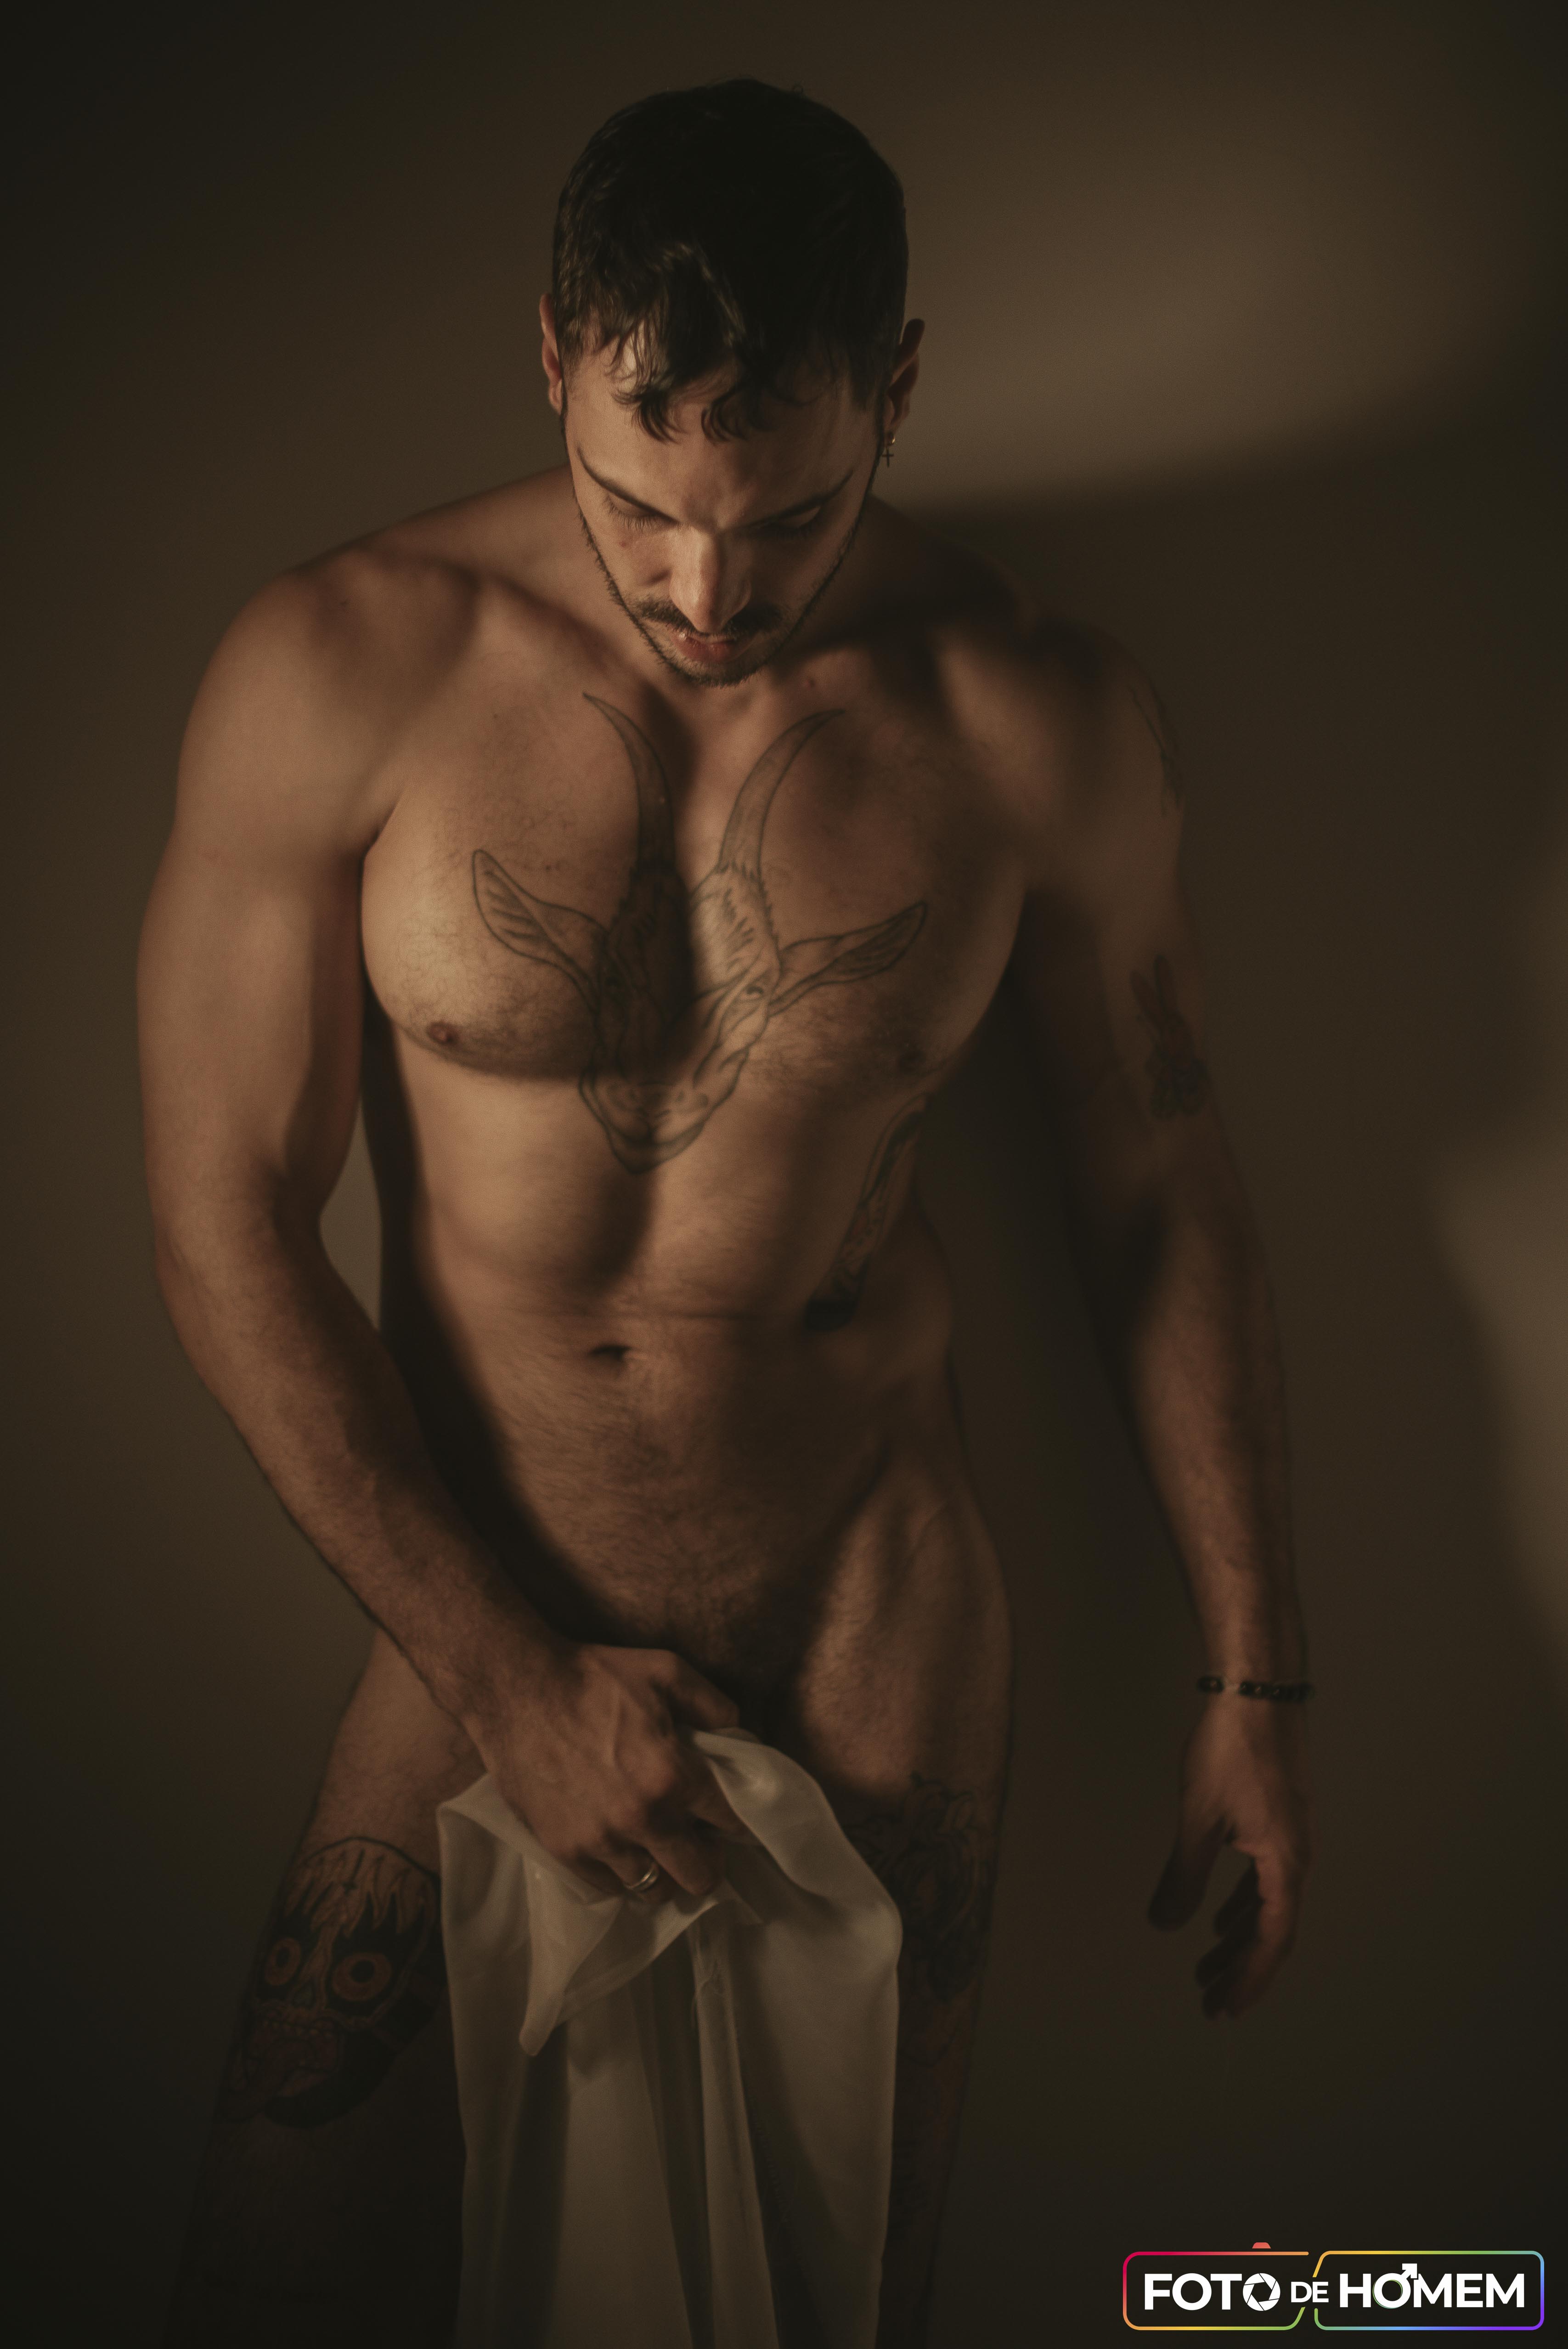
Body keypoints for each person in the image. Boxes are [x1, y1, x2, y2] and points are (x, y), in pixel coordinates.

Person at [140, 75, 1311, 2349]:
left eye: (787, 517)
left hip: (874, 1615)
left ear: (895, 392)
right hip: (487, 1613)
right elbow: (223, 1221)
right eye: (639, 505)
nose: (707, 588)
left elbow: (1160, 1179)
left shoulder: (1031, 713)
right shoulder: (339, 669)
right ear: (551, 362)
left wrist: (1255, 1676)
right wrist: (509, 1684)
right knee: (274, 2286)